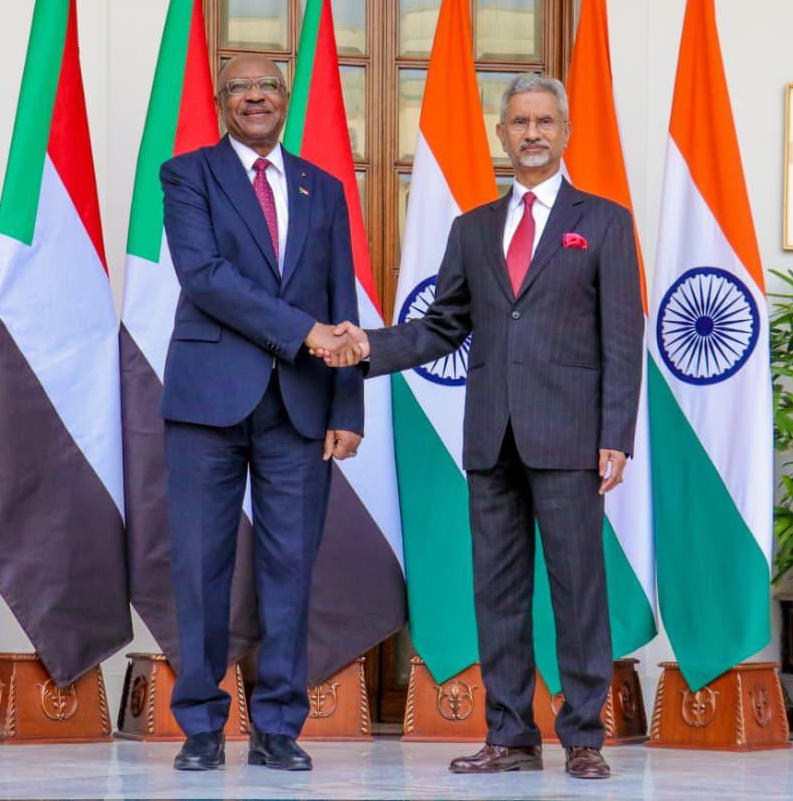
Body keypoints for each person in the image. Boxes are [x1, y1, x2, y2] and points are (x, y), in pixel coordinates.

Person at [321, 74, 642, 781]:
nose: (532, 133)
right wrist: (367, 346)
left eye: (545, 121)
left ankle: (584, 738)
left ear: (565, 131)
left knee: (577, 592)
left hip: (570, 440)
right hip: (491, 439)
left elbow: (623, 337)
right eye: (520, 122)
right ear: (503, 135)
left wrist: (616, 433)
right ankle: (511, 736)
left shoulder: (607, 221)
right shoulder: (472, 229)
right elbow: (442, 326)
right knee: (496, 591)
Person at [159, 54, 362, 772]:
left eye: (267, 87)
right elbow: (206, 278)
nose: (254, 97)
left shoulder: (325, 188)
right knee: (199, 569)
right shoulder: (187, 176)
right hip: (207, 403)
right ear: (221, 101)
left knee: (290, 571)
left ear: (286, 98)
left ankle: (278, 727)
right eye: (240, 87)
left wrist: (348, 405)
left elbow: (343, 301)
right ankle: (202, 728)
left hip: (302, 407)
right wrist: (302, 332)